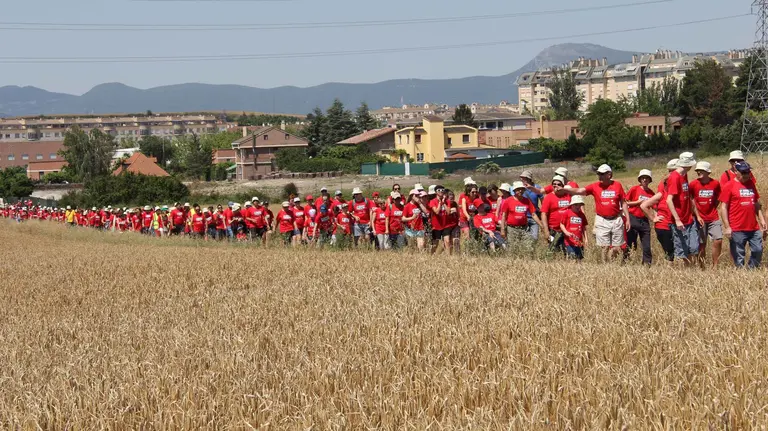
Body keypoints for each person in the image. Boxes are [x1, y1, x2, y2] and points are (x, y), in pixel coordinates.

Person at [564, 164, 629, 262]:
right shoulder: (595, 186)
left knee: (617, 247)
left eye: (602, 174)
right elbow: (580, 190)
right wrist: (565, 189)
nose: (600, 176)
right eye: (598, 174)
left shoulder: (617, 185)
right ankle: (605, 264)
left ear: (609, 175)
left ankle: (612, 262)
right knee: (604, 247)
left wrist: (627, 219)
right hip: (602, 219)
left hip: (616, 219)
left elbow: (623, 203)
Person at [719, 161, 766, 269]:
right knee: (738, 255)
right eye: (743, 172)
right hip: (737, 227)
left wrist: (762, 220)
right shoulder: (729, 186)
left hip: (753, 227)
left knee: (758, 250)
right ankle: (740, 274)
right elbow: (723, 207)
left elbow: (756, 204)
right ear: (736, 171)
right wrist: (727, 227)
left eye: (748, 172)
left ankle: (751, 270)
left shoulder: (751, 184)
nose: (746, 175)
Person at [641, 159, 678, 263]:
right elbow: (644, 205)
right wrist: (653, 218)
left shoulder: (678, 183)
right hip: (664, 225)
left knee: (677, 251)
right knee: (670, 253)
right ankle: (670, 271)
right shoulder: (663, 188)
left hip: (676, 224)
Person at [666, 152, 700, 265]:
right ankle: (684, 271)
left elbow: (687, 197)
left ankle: (690, 268)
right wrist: (677, 219)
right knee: (681, 250)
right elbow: (669, 200)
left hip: (689, 218)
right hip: (679, 221)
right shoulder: (674, 177)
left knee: (694, 247)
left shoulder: (684, 175)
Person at [689, 161, 723, 268]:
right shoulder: (693, 184)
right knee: (701, 244)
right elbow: (691, 199)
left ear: (708, 172)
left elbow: (719, 197)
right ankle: (702, 266)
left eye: (701, 170)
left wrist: (713, 207)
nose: (698, 172)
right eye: (697, 170)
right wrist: (697, 215)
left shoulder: (715, 183)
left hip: (713, 217)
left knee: (718, 240)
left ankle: (715, 266)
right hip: (699, 218)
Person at [500, 182, 542, 249]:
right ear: (514, 190)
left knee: (528, 246)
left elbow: (533, 214)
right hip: (512, 229)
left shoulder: (527, 201)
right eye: (518, 189)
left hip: (524, 228)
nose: (520, 191)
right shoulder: (508, 201)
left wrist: (541, 225)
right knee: (513, 248)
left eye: (522, 189)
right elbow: (504, 216)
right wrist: (502, 229)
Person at [626, 169, 655, 265]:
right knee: (631, 244)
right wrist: (637, 203)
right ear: (640, 180)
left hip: (644, 221)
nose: (645, 180)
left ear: (650, 180)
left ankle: (647, 264)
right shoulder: (634, 189)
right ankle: (626, 262)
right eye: (643, 178)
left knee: (646, 245)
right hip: (633, 218)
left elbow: (655, 207)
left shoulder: (651, 193)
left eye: (647, 178)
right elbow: (625, 203)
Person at [540, 176, 571, 255]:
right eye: (554, 184)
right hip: (554, 230)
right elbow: (543, 214)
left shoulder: (569, 196)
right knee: (554, 251)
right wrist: (546, 231)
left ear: (563, 186)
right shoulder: (548, 197)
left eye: (558, 184)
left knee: (568, 251)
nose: (556, 186)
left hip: (568, 229)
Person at [560, 195, 588, 260]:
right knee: (572, 257)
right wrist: (566, 232)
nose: (578, 207)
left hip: (579, 242)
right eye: (576, 205)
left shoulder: (582, 215)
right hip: (569, 241)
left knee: (579, 258)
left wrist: (586, 239)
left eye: (579, 205)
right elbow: (561, 224)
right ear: (571, 205)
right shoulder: (567, 213)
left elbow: (584, 227)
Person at [519, 170, 543, 240]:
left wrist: (542, 215)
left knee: (535, 238)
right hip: (523, 216)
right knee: (524, 238)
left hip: (534, 216)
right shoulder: (520, 188)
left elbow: (543, 202)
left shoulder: (537, 187)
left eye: (523, 177)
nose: (521, 179)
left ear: (528, 178)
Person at [429, 185, 452, 254]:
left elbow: (448, 212)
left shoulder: (447, 201)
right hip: (436, 225)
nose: (441, 192)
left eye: (442, 190)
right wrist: (439, 203)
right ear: (435, 192)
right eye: (439, 190)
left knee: (447, 241)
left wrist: (444, 203)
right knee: (435, 243)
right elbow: (436, 211)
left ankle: (449, 257)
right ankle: (431, 255)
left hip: (446, 225)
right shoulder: (432, 201)